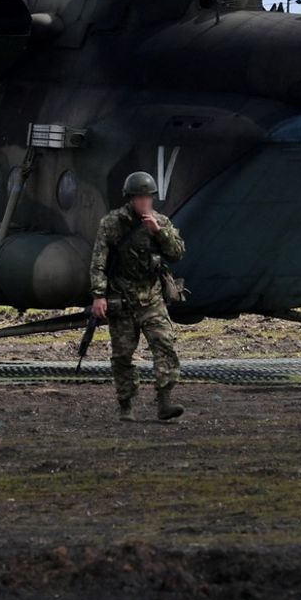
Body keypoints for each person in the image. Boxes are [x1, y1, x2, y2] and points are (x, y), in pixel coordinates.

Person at [89, 171, 186, 422]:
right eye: (139, 197)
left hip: (151, 296)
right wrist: (99, 295)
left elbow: (177, 253)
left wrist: (158, 232)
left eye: (148, 197)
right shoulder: (112, 223)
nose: (145, 202)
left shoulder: (160, 221)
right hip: (122, 298)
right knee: (122, 355)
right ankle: (126, 404)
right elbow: (98, 263)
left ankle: (164, 401)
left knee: (164, 344)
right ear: (130, 199)